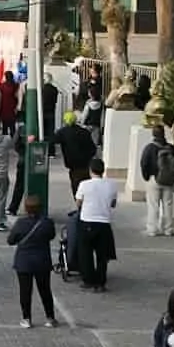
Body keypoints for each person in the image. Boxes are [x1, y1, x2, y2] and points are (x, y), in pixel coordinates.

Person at [7, 196, 58, 327]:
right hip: (42, 261)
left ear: (25, 208)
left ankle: (26, 318)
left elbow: (11, 240)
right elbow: (51, 236)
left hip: (24, 262)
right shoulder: (47, 223)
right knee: (45, 290)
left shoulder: (20, 223)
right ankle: (50, 318)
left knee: (25, 291)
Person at [73, 161, 120, 292]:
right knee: (102, 255)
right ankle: (100, 282)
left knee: (85, 253)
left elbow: (78, 203)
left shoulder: (84, 184)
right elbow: (113, 204)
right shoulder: (111, 185)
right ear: (103, 170)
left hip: (87, 221)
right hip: (104, 223)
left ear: (90, 170)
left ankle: (88, 280)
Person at [138, 125, 174, 237]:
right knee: (168, 205)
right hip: (169, 181)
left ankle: (152, 229)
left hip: (154, 179)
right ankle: (168, 229)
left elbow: (144, 163)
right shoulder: (171, 148)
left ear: (153, 134)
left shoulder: (149, 148)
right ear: (164, 134)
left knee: (153, 205)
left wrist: (146, 177)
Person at [53, 112, 96, 192]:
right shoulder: (85, 131)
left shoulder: (63, 132)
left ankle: (79, 202)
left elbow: (53, 141)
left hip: (73, 165)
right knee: (86, 185)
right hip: (85, 165)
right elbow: (93, 148)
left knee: (76, 187)